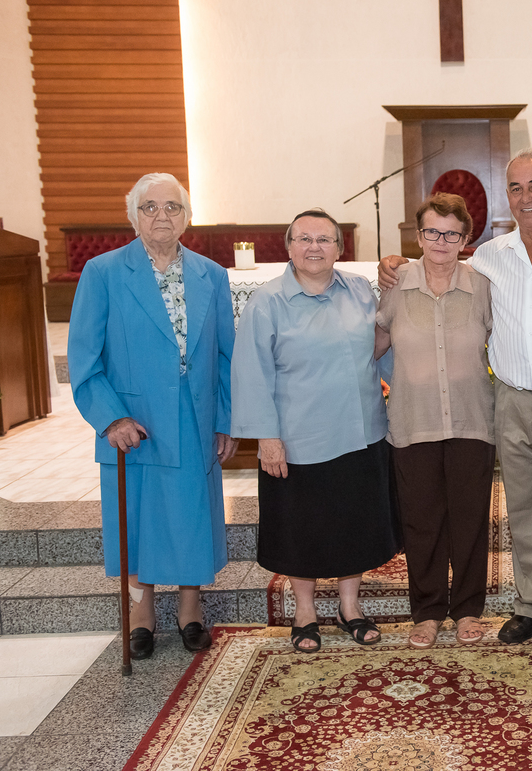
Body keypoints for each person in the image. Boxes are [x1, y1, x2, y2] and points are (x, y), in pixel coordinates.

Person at [378, 149, 532, 652]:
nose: (526, 197)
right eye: (516, 188)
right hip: (510, 401)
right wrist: (391, 263)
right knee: (525, 510)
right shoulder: (493, 257)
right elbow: (435, 267)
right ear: (506, 198)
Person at [69, 172, 237, 660]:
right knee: (136, 518)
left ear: (187, 216)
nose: (161, 216)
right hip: (134, 422)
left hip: (194, 415)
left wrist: (224, 418)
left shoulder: (212, 273)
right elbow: (84, 357)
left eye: (172, 207)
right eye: (149, 207)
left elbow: (226, 357)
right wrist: (111, 419)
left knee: (189, 516)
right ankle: (139, 615)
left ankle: (190, 611)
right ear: (132, 215)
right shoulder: (103, 272)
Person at [232, 208, 400, 653]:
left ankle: (350, 608)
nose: (313, 247)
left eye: (324, 239)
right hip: (298, 438)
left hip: (362, 430)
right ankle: (305, 611)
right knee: (300, 528)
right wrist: (266, 438)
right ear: (288, 247)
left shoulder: (360, 291)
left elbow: (380, 347)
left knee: (355, 524)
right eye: (303, 239)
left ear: (340, 249)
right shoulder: (267, 302)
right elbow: (251, 374)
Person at [375, 193, 495, 648]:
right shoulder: (397, 282)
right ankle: (426, 612)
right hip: (412, 419)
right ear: (418, 235)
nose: (440, 241)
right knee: (421, 521)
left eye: (451, 233)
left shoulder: (482, 283)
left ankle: (466, 610)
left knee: (469, 519)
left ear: (466, 239)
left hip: (472, 420)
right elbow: (376, 341)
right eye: (431, 231)